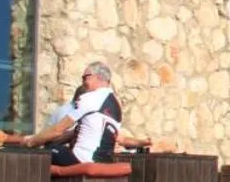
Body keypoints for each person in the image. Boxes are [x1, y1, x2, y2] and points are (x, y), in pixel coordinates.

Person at [14, 62, 156, 164]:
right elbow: (117, 138)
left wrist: (30, 143)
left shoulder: (90, 98)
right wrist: (142, 142)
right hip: (102, 162)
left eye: (85, 77)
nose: (83, 82)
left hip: (80, 159)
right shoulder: (116, 104)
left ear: (96, 77)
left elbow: (57, 130)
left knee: (41, 154)